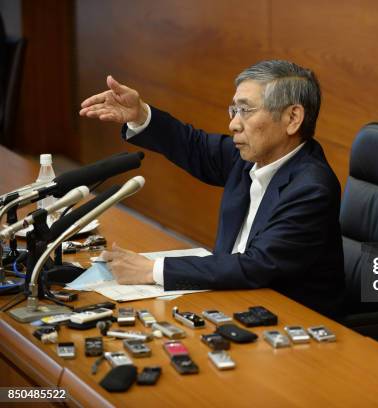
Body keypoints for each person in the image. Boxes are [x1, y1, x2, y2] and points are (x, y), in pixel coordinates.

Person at [79, 60, 345, 317]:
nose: (233, 124)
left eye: (246, 110)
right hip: (232, 296)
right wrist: (139, 114)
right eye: (234, 111)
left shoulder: (311, 188)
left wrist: (152, 270)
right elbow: (193, 145)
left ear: (292, 117)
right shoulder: (250, 156)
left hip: (291, 320)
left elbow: (257, 265)